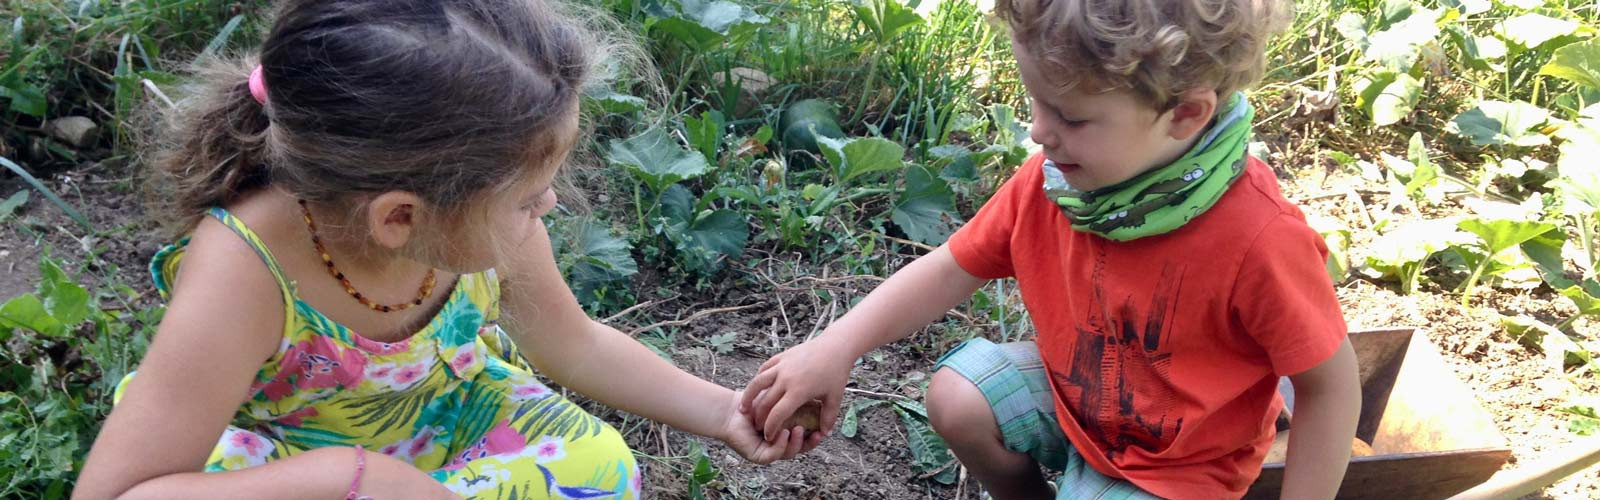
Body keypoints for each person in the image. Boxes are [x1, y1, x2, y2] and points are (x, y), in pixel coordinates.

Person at [75, 1, 815, 498]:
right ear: (401, 218)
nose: (548, 207)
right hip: (282, 470)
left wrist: (723, 412)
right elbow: (121, 493)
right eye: (527, 198)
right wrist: (349, 479)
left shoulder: (481, 227)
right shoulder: (243, 270)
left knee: (598, 465)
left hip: (445, 422)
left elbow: (576, 346)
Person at [741, 0, 1361, 498]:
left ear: (1185, 115)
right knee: (957, 397)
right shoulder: (1057, 184)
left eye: (1072, 117)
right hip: (1081, 404)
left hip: (1181, 465)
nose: (1039, 131)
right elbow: (951, 267)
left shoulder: (1258, 237)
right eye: (1037, 102)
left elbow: (1330, 387)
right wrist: (836, 346)